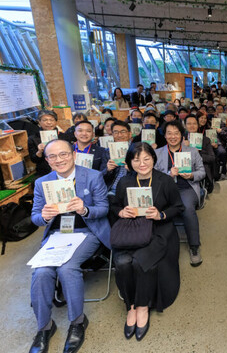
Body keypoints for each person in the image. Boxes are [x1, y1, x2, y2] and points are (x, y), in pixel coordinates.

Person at [29, 139, 110, 353]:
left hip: (86, 231)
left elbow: (103, 208)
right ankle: (44, 327)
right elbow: (35, 217)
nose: (59, 160)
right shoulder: (42, 183)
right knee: (41, 272)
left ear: (73, 154)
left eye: (63, 154)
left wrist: (85, 210)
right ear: (47, 160)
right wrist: (44, 217)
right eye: (53, 156)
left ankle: (77, 322)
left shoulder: (93, 176)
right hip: (57, 234)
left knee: (67, 268)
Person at [110, 142, 184, 341]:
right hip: (131, 230)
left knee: (140, 261)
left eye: (146, 159)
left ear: (153, 159)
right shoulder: (125, 182)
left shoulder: (165, 181)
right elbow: (115, 204)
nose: (142, 164)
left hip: (159, 231)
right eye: (136, 160)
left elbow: (178, 207)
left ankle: (142, 306)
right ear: (129, 162)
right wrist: (120, 211)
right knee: (123, 262)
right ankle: (131, 306)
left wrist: (161, 214)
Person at [155, 121, 206, 267]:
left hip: (186, 188)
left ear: (181, 135)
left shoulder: (192, 151)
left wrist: (191, 175)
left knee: (187, 208)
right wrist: (168, 174)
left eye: (176, 133)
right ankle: (156, 246)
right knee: (153, 207)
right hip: (165, 190)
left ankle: (194, 246)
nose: (173, 136)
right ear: (164, 136)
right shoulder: (158, 153)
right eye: (169, 133)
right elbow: (155, 176)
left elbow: (202, 172)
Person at [28, 110, 69, 178]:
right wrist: (39, 152)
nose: (49, 122)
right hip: (44, 172)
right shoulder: (33, 138)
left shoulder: (63, 136)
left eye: (51, 120)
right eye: (45, 120)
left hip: (64, 170)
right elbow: (33, 160)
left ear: (56, 122)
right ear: (39, 122)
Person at [184, 115, 216, 193]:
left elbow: (212, 158)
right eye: (189, 124)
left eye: (194, 124)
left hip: (201, 167)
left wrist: (198, 154)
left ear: (198, 125)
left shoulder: (205, 140)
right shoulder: (180, 139)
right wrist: (184, 147)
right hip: (184, 166)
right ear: (185, 126)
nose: (192, 126)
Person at [105, 121, 132, 196]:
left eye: (123, 132)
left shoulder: (137, 150)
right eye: (116, 132)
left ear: (130, 134)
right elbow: (101, 176)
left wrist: (131, 169)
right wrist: (108, 170)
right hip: (112, 190)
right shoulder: (107, 151)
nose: (119, 135)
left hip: (131, 189)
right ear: (112, 134)